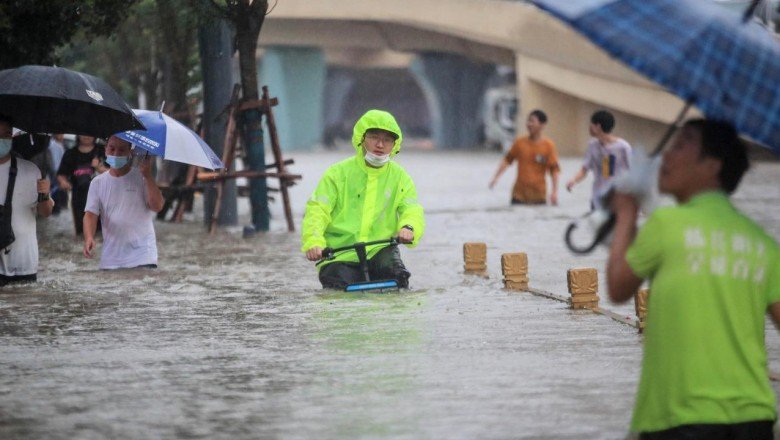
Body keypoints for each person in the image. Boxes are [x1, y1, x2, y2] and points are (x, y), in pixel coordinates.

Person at [606, 119, 779, 439]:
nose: (667, 156)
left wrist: (627, 213)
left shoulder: (667, 224)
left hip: (680, 417)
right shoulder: (763, 244)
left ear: (712, 166)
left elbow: (618, 287)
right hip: (755, 418)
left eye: (683, 144)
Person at [301, 109, 425, 289]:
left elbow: (411, 209)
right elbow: (317, 210)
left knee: (399, 279)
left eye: (387, 140)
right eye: (374, 137)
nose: (380, 145)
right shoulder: (337, 173)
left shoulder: (400, 177)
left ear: (394, 145)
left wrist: (408, 227)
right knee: (337, 289)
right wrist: (313, 242)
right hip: (339, 253)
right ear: (361, 138)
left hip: (380, 249)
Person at [83, 136, 164, 269]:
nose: (116, 153)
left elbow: (157, 206)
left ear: (130, 152)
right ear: (105, 150)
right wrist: (89, 237)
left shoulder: (142, 177)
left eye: (121, 150)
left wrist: (148, 176)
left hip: (143, 256)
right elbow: (90, 214)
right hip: (111, 258)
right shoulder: (97, 183)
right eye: (112, 148)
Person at [0, 115, 55, 285]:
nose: (2, 140)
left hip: (24, 263)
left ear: (12, 137)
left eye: (6, 135)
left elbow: (45, 212)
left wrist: (45, 194)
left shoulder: (31, 171)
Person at [488, 109, 560, 205]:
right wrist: (495, 178)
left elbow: (554, 170)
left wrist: (554, 192)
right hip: (518, 196)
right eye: (528, 121)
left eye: (532, 121)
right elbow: (507, 160)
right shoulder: (519, 143)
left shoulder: (548, 146)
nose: (529, 124)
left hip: (538, 196)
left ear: (542, 125)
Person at [566, 110, 632, 209]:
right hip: (597, 198)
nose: (589, 127)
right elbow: (585, 169)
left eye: (591, 124)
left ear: (598, 126)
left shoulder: (623, 147)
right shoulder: (593, 145)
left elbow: (634, 173)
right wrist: (573, 180)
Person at [57, 134, 105, 235]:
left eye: (90, 133)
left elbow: (115, 172)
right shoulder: (70, 153)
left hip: (102, 199)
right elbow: (61, 174)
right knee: (82, 232)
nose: (87, 136)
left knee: (101, 232)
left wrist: (99, 168)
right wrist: (63, 182)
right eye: (83, 133)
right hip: (78, 199)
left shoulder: (103, 151)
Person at [47, 134, 66, 215]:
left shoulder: (55, 146)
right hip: (54, 172)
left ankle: (53, 208)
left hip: (53, 172)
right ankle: (55, 209)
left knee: (53, 191)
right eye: (61, 134)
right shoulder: (57, 146)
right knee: (54, 191)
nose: (62, 136)